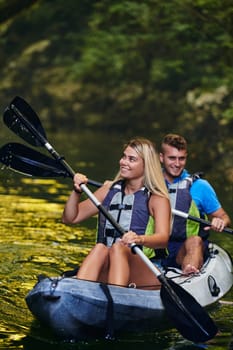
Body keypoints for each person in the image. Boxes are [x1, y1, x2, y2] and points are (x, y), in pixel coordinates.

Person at [62, 138, 171, 288]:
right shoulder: (109, 190)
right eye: (124, 156)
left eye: (131, 159)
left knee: (119, 247)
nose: (124, 162)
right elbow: (70, 218)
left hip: (143, 269)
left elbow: (163, 239)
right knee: (100, 247)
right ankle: (80, 292)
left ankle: (116, 295)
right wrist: (76, 192)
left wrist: (139, 239)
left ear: (146, 165)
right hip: (110, 265)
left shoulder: (157, 198)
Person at [159, 133, 231, 275]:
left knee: (195, 240)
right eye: (172, 158)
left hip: (185, 248)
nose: (177, 164)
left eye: (182, 158)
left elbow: (224, 217)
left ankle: (189, 272)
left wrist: (220, 221)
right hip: (155, 247)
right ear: (161, 158)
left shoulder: (201, 186)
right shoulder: (149, 182)